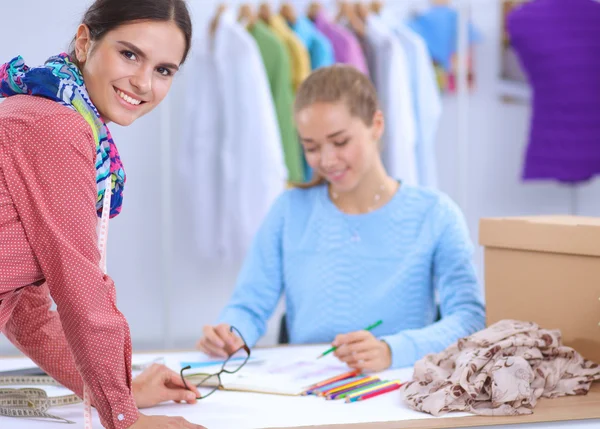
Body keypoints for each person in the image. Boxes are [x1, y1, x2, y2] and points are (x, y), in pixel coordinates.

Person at [197, 65, 485, 373]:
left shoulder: (436, 214)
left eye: (340, 142)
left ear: (376, 124)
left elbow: (469, 318)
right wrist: (230, 334)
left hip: (400, 384)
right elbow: (249, 305)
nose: (327, 160)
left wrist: (392, 350)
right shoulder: (288, 210)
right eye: (311, 147)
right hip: (306, 386)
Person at [0, 1, 204, 428]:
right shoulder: (55, 126)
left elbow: (26, 310)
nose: (144, 82)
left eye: (164, 70)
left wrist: (119, 391)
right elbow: (79, 287)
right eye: (129, 54)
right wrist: (127, 418)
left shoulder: (49, 109)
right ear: (84, 41)